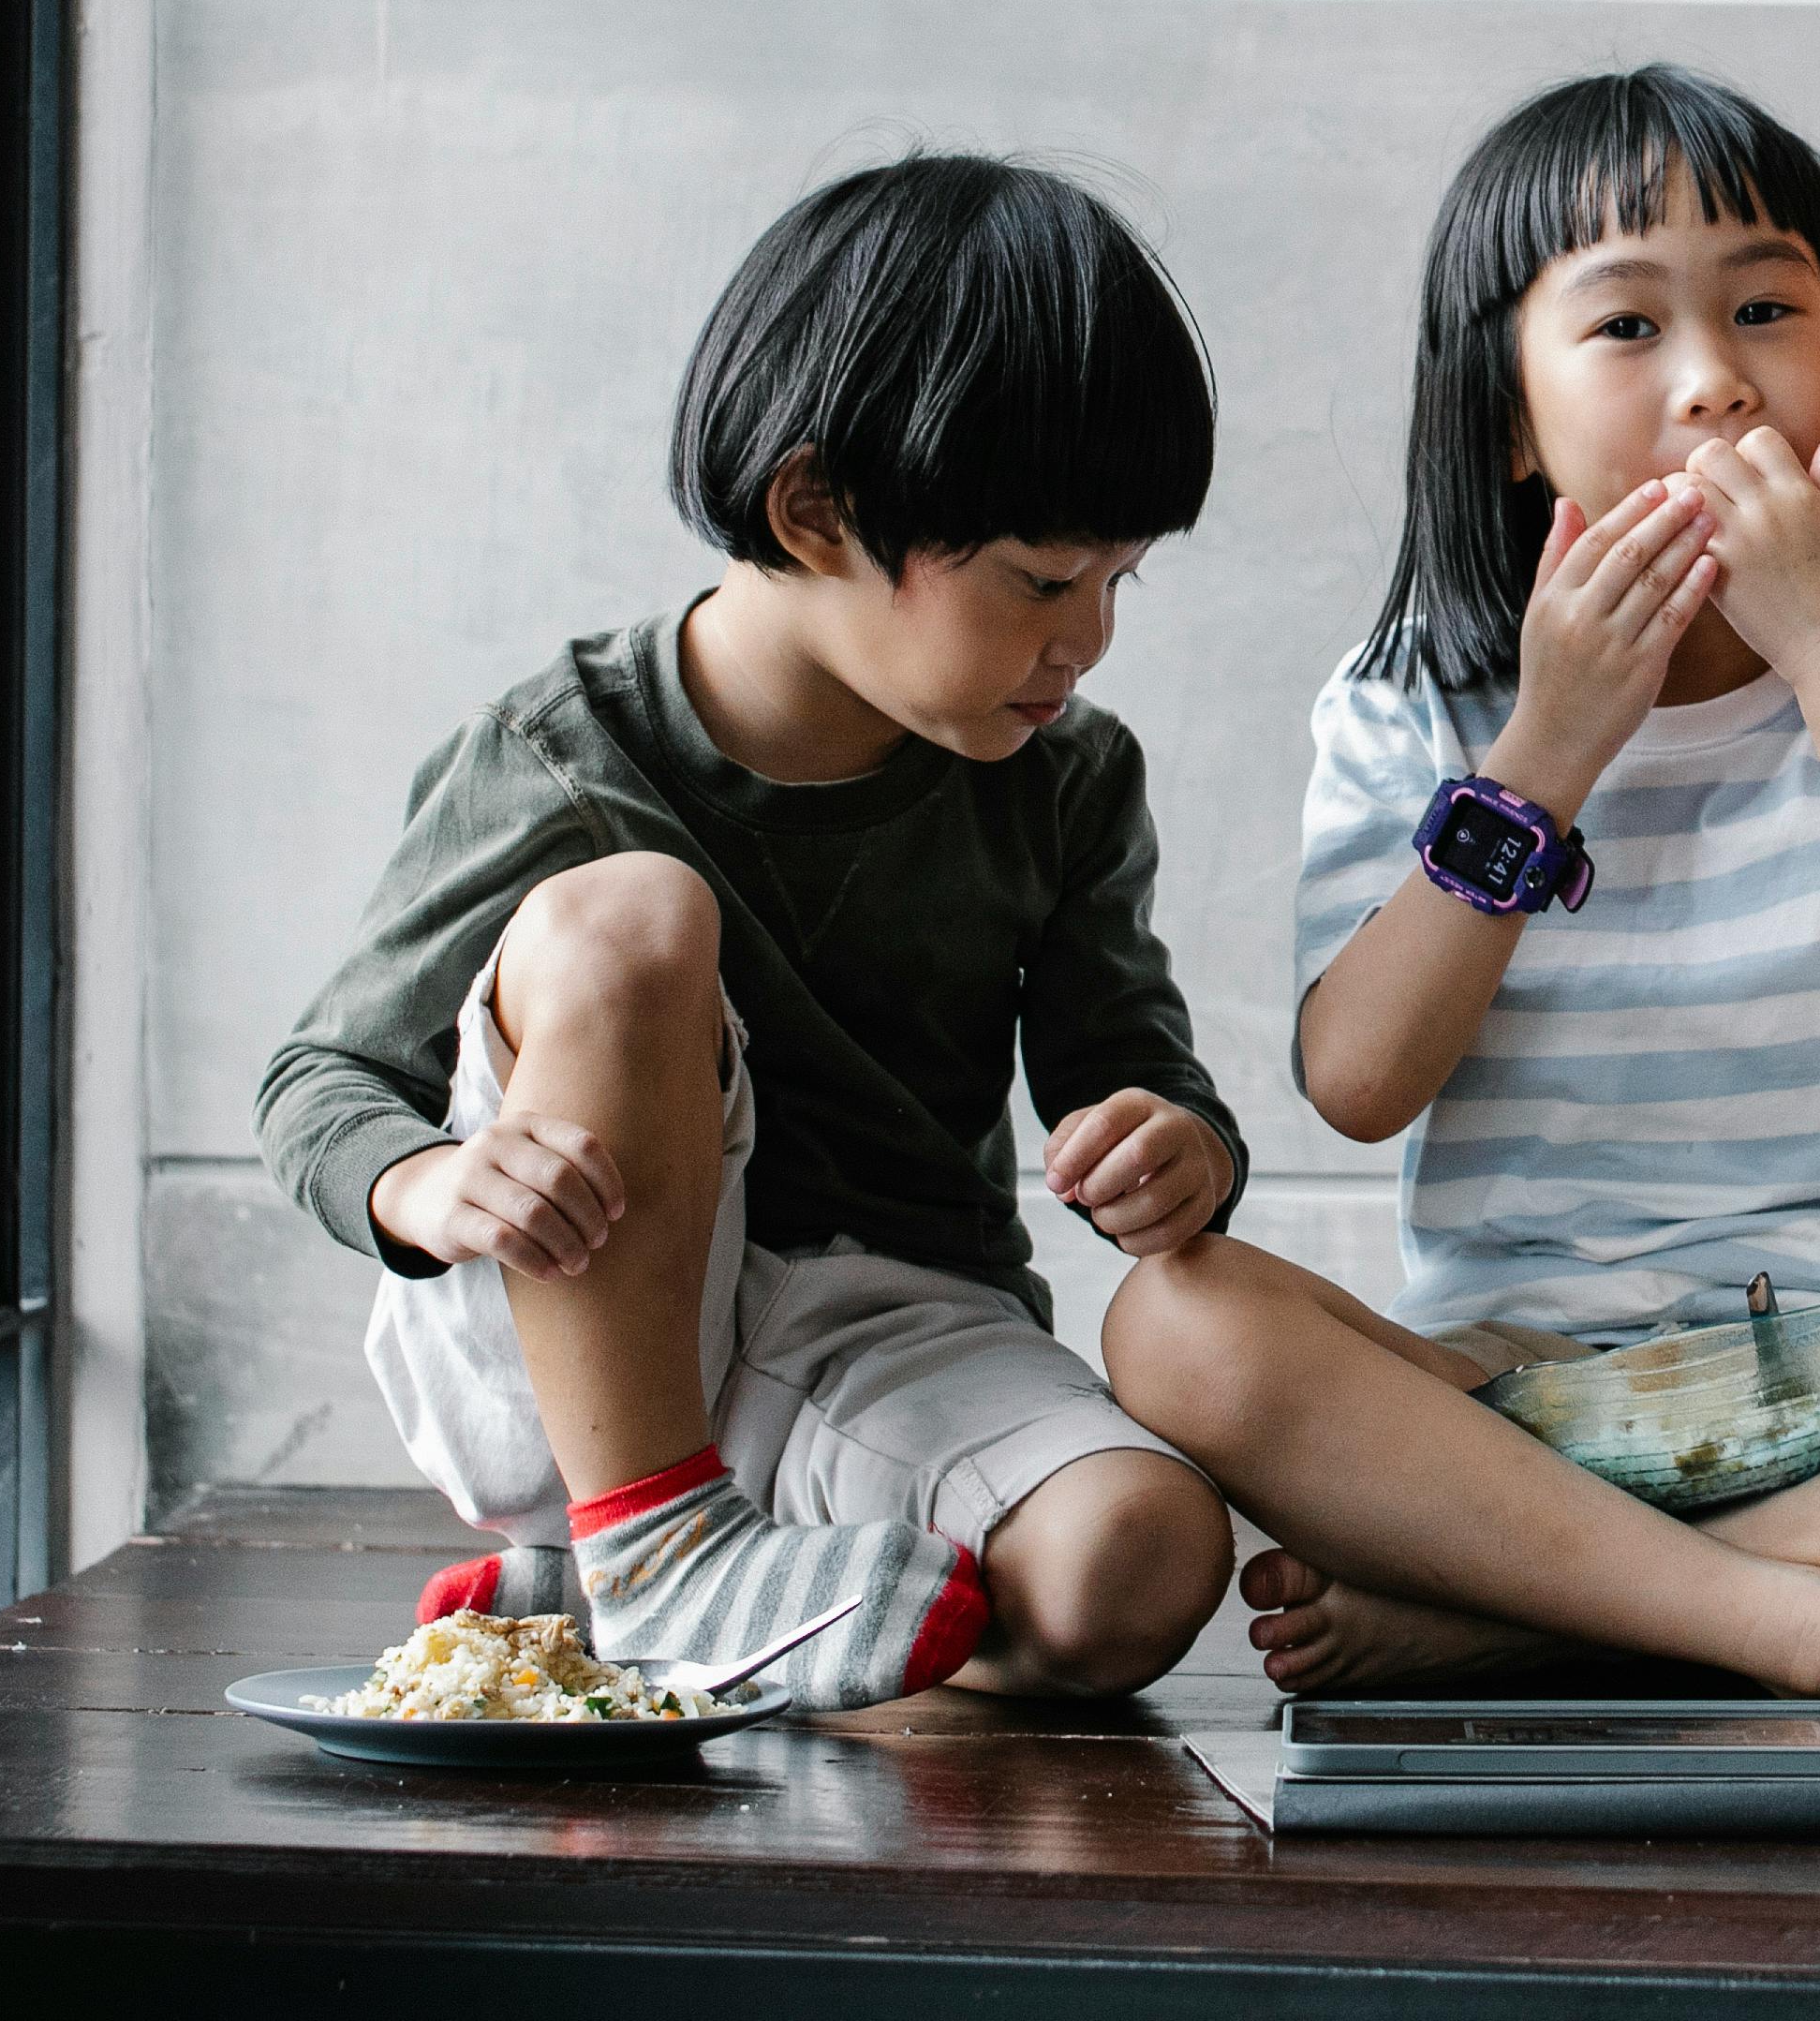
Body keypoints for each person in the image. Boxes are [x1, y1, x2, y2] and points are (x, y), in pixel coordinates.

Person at [1100, 69, 1820, 1717]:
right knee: (1176, 1332)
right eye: (1626, 330)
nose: (1717, 383)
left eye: (1762, 309)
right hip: (1510, 1391)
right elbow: (1361, 1083)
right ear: (1508, 421)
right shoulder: (1415, 703)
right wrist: (1548, 750)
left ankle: (1538, 1610)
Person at [256, 155, 1248, 1708]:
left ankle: (646, 1591)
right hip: (568, 1329)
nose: (1088, 639)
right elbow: (317, 1081)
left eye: (1122, 581)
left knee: (1145, 1556)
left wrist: (1175, 1140)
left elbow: (1127, 1057)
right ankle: (649, 1539)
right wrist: (431, 1179)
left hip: (885, 1339)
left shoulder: (1066, 779)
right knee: (637, 919)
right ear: (814, 510)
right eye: (1045, 580)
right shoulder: (558, 761)